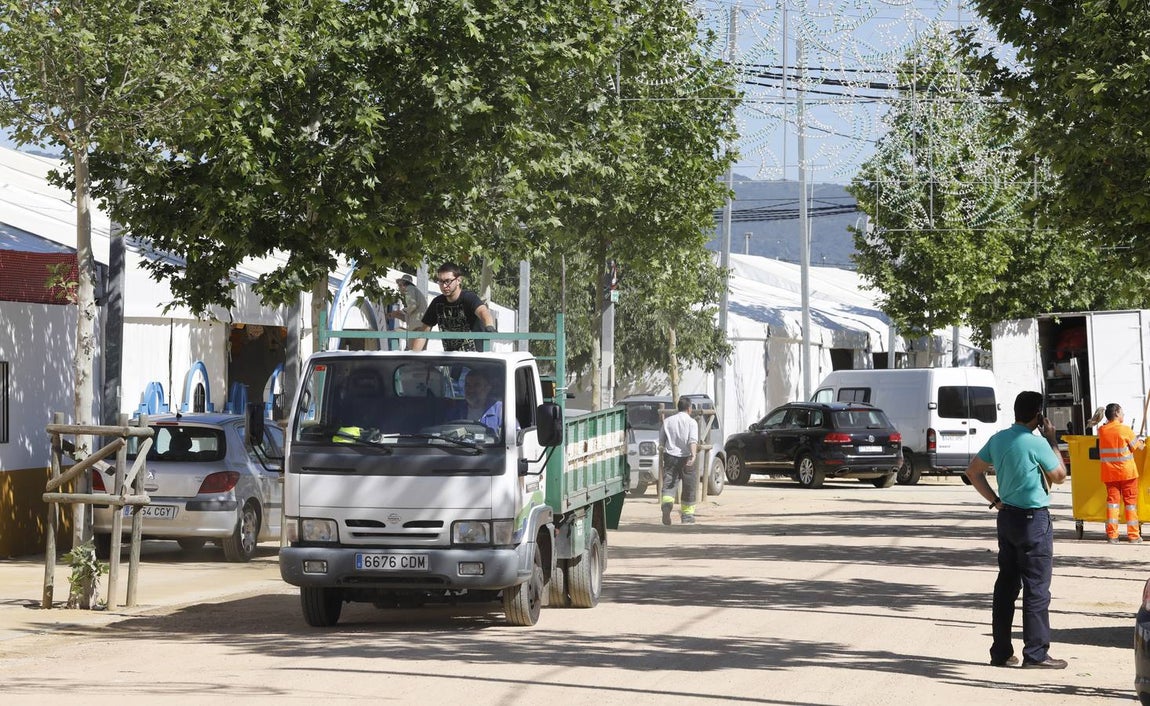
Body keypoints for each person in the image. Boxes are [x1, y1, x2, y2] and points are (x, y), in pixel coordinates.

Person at [965, 390, 1068, 670]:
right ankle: (1035, 654)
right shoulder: (1037, 443)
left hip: (1007, 518)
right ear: (1039, 415)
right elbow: (1059, 476)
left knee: (1006, 587)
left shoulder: (998, 439)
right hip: (1034, 521)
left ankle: (1000, 652)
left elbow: (973, 471)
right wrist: (1052, 440)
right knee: (1036, 589)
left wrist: (994, 500)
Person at [411, 262, 496, 352]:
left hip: (474, 357)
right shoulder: (437, 303)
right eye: (441, 281)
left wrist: (489, 325)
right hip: (451, 357)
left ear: (458, 280)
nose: (444, 286)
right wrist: (414, 356)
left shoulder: (469, 298)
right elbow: (423, 333)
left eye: (448, 281)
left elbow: (483, 311)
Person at [1097, 403, 1144, 544]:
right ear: (1117, 413)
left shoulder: (1102, 430)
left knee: (1113, 504)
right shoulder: (1125, 430)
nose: (1123, 414)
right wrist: (1140, 440)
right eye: (1122, 412)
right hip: (1127, 473)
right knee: (1130, 504)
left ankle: (1112, 536)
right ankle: (1134, 536)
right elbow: (1138, 447)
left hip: (1110, 474)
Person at [658, 397, 699, 526]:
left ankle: (666, 506)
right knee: (689, 486)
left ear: (678, 408)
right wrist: (693, 455)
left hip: (670, 456)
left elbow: (661, 441)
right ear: (689, 408)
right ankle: (687, 516)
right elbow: (692, 440)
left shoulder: (667, 421)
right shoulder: (692, 422)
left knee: (669, 483)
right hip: (686, 457)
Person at [458, 368, 503, 435]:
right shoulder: (455, 410)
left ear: (487, 388)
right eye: (467, 385)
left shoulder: (500, 410)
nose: (471, 389)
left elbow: (514, 434)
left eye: (476, 385)